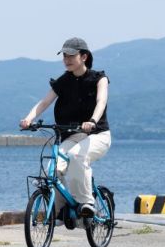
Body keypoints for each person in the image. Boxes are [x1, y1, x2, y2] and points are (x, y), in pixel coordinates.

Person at [19, 37, 111, 222]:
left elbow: (101, 101)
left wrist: (92, 120)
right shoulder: (63, 81)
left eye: (71, 55)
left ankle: (87, 204)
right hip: (73, 135)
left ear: (84, 56)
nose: (66, 59)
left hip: (97, 134)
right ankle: (61, 210)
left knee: (77, 156)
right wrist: (29, 119)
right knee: (52, 170)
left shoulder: (98, 79)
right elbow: (45, 102)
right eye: (64, 56)